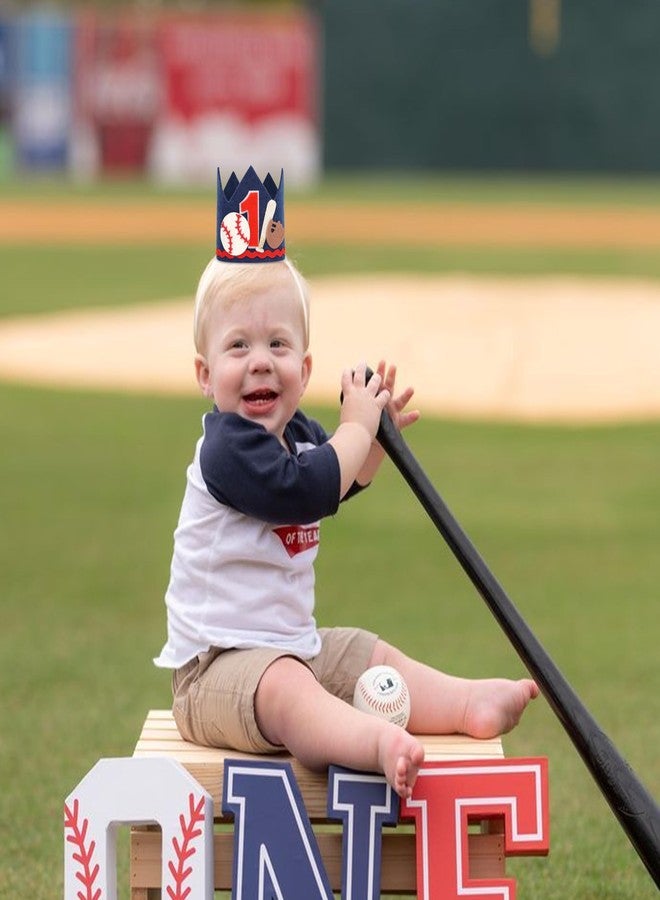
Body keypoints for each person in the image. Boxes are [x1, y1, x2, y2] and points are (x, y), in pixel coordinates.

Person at [155, 168, 538, 800]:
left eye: (278, 343)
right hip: (213, 674)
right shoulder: (228, 447)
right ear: (205, 373)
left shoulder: (296, 433)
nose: (260, 360)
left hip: (288, 648)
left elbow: (332, 484)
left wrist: (373, 447)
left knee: (366, 654)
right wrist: (355, 427)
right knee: (287, 689)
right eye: (238, 345)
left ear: (303, 369)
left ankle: (467, 703)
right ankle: (376, 743)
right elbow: (304, 490)